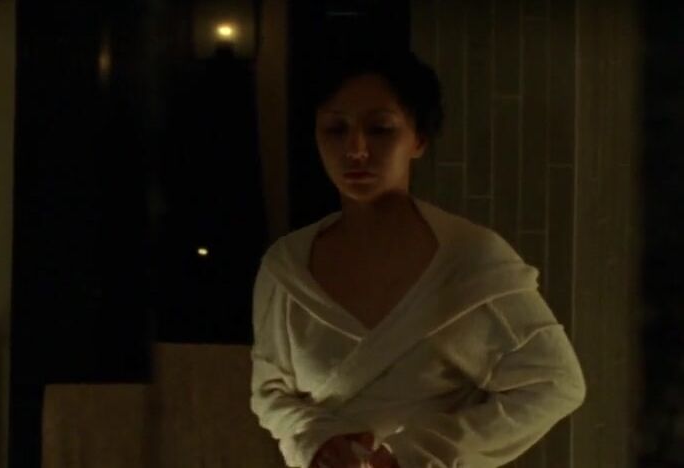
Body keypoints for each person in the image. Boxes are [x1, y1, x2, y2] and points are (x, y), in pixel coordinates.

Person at [248, 50, 586, 468]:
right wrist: (319, 441)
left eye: (380, 129)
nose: (355, 149)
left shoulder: (470, 261)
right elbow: (269, 393)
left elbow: (555, 382)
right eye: (336, 129)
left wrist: (416, 452)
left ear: (418, 139)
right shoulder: (287, 269)